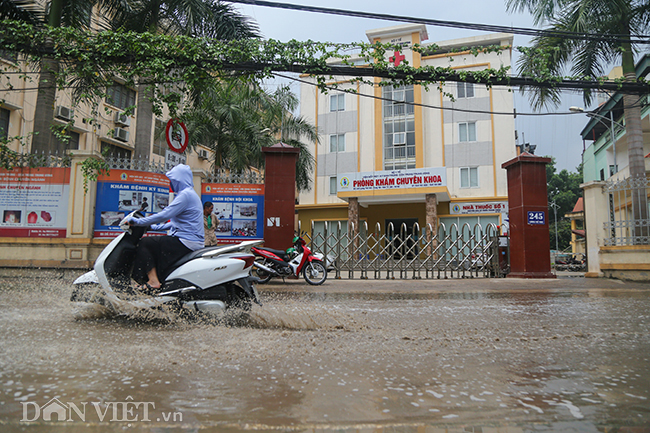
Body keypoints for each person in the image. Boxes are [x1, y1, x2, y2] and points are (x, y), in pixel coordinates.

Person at [128, 164, 204, 290]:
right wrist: (153, 228)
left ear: (179, 180)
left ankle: (153, 281)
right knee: (155, 244)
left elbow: (164, 215)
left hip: (186, 242)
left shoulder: (185, 195)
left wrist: (138, 222)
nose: (171, 183)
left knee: (145, 243)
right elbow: (176, 223)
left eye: (172, 181)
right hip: (189, 241)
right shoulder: (190, 194)